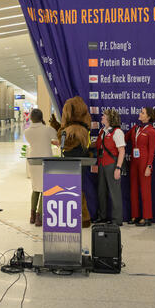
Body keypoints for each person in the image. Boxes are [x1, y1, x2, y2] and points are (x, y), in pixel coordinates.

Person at [51, 96, 92, 228]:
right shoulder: (84, 129)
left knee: (71, 192)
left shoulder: (69, 131)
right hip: (81, 163)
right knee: (78, 190)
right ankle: (84, 218)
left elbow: (64, 145)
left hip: (70, 164)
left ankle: (77, 217)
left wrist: (58, 128)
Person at [24, 109, 58, 226]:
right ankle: (39, 217)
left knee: (35, 187)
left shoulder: (27, 132)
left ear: (31, 118)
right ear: (42, 117)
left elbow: (38, 141)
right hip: (45, 161)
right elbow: (56, 137)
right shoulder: (48, 129)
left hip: (33, 161)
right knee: (45, 188)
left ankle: (32, 216)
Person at [126, 107, 155, 226]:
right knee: (133, 189)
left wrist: (149, 166)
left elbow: (152, 151)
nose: (140, 114)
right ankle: (135, 215)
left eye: (142, 113)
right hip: (134, 162)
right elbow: (124, 138)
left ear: (148, 117)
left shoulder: (151, 131)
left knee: (145, 190)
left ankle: (147, 217)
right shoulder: (135, 128)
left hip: (144, 162)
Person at [95, 108, 126, 226]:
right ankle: (102, 216)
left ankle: (117, 220)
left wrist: (118, 168)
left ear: (110, 118)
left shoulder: (117, 132)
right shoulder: (102, 131)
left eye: (104, 115)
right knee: (101, 191)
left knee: (115, 193)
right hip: (102, 164)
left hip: (112, 165)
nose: (102, 117)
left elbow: (121, 151)